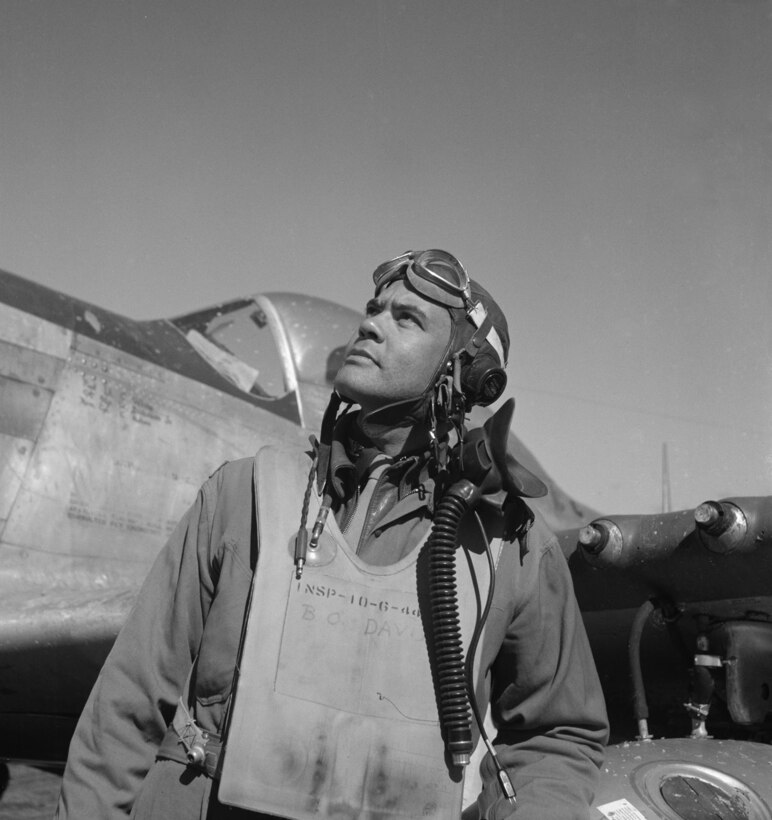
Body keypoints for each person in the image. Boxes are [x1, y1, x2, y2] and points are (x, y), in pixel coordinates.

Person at [55, 250, 608, 819]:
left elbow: (559, 735)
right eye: (375, 309)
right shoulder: (242, 493)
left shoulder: (510, 543)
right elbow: (125, 707)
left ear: (464, 373)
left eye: (407, 319)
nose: (370, 323)